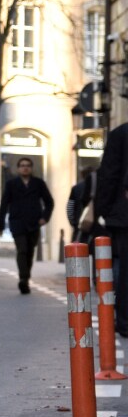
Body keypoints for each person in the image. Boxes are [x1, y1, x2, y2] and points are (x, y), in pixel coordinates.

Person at [0, 157, 53, 294]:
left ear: (31, 168)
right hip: (17, 222)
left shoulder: (39, 183)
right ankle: (23, 279)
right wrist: (0, 225)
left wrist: (45, 217)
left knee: (30, 252)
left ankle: (26, 278)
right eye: (22, 165)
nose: (25, 168)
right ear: (18, 168)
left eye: (28, 165)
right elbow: (4, 204)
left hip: (34, 223)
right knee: (22, 249)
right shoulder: (11, 184)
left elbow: (49, 202)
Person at [95, 122, 128, 335]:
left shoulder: (120, 134)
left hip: (124, 215)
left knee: (125, 270)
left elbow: (108, 174)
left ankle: (125, 321)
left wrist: (104, 209)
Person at [66, 168, 97, 245]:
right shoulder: (98, 186)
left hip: (80, 224)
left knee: (78, 249)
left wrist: (73, 222)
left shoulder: (76, 188)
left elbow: (70, 207)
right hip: (95, 224)